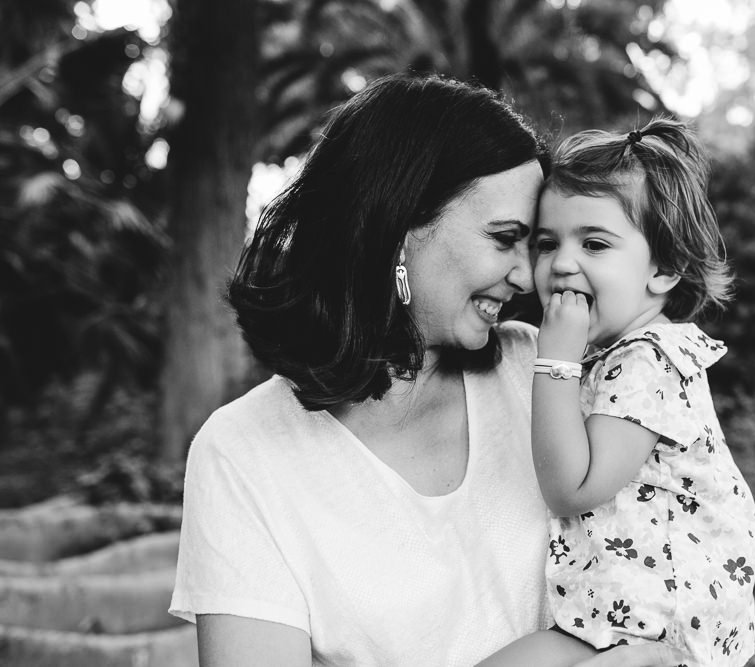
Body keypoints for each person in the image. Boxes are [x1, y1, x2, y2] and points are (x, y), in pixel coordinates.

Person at [169, 74, 676, 667]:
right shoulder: (244, 455)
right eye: (504, 238)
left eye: (532, 244)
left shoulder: (542, 374)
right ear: (399, 230)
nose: (528, 277)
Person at [481, 119, 755, 666]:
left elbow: (572, 486)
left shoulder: (651, 361)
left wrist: (555, 360)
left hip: (658, 636)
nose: (562, 263)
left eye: (594, 243)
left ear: (666, 268)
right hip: (610, 623)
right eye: (547, 243)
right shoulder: (612, 357)